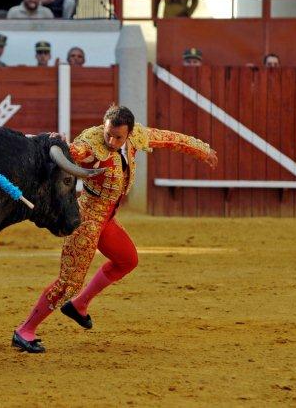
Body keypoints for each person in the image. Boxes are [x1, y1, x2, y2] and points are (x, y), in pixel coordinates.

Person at [12, 104, 218, 353]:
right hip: (85, 219)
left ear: (129, 134)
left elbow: (169, 138)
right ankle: (24, 331)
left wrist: (202, 150)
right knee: (68, 283)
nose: (110, 140)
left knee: (127, 260)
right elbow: (68, 152)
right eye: (108, 133)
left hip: (107, 219)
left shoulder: (136, 138)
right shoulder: (91, 144)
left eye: (118, 136)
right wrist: (48, 141)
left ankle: (79, 306)